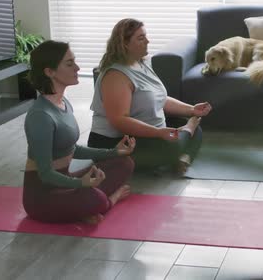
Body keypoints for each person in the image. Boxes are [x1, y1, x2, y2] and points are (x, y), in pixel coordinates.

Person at [23, 40, 136, 224]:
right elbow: (45, 174)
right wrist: (80, 184)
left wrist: (114, 152)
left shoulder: (63, 103)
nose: (77, 67)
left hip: (65, 181)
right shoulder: (40, 116)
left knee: (124, 163)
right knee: (95, 198)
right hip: (43, 197)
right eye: (69, 64)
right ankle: (108, 201)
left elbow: (73, 149)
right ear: (49, 72)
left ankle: (84, 206)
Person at [87, 18, 212, 175]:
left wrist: (192, 109)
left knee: (196, 128)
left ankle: (183, 156)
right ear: (124, 44)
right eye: (141, 38)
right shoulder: (115, 76)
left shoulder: (142, 63)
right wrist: (159, 133)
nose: (148, 41)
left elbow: (159, 99)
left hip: (145, 134)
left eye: (145, 36)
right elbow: (120, 121)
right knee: (179, 139)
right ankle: (180, 146)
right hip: (115, 143)